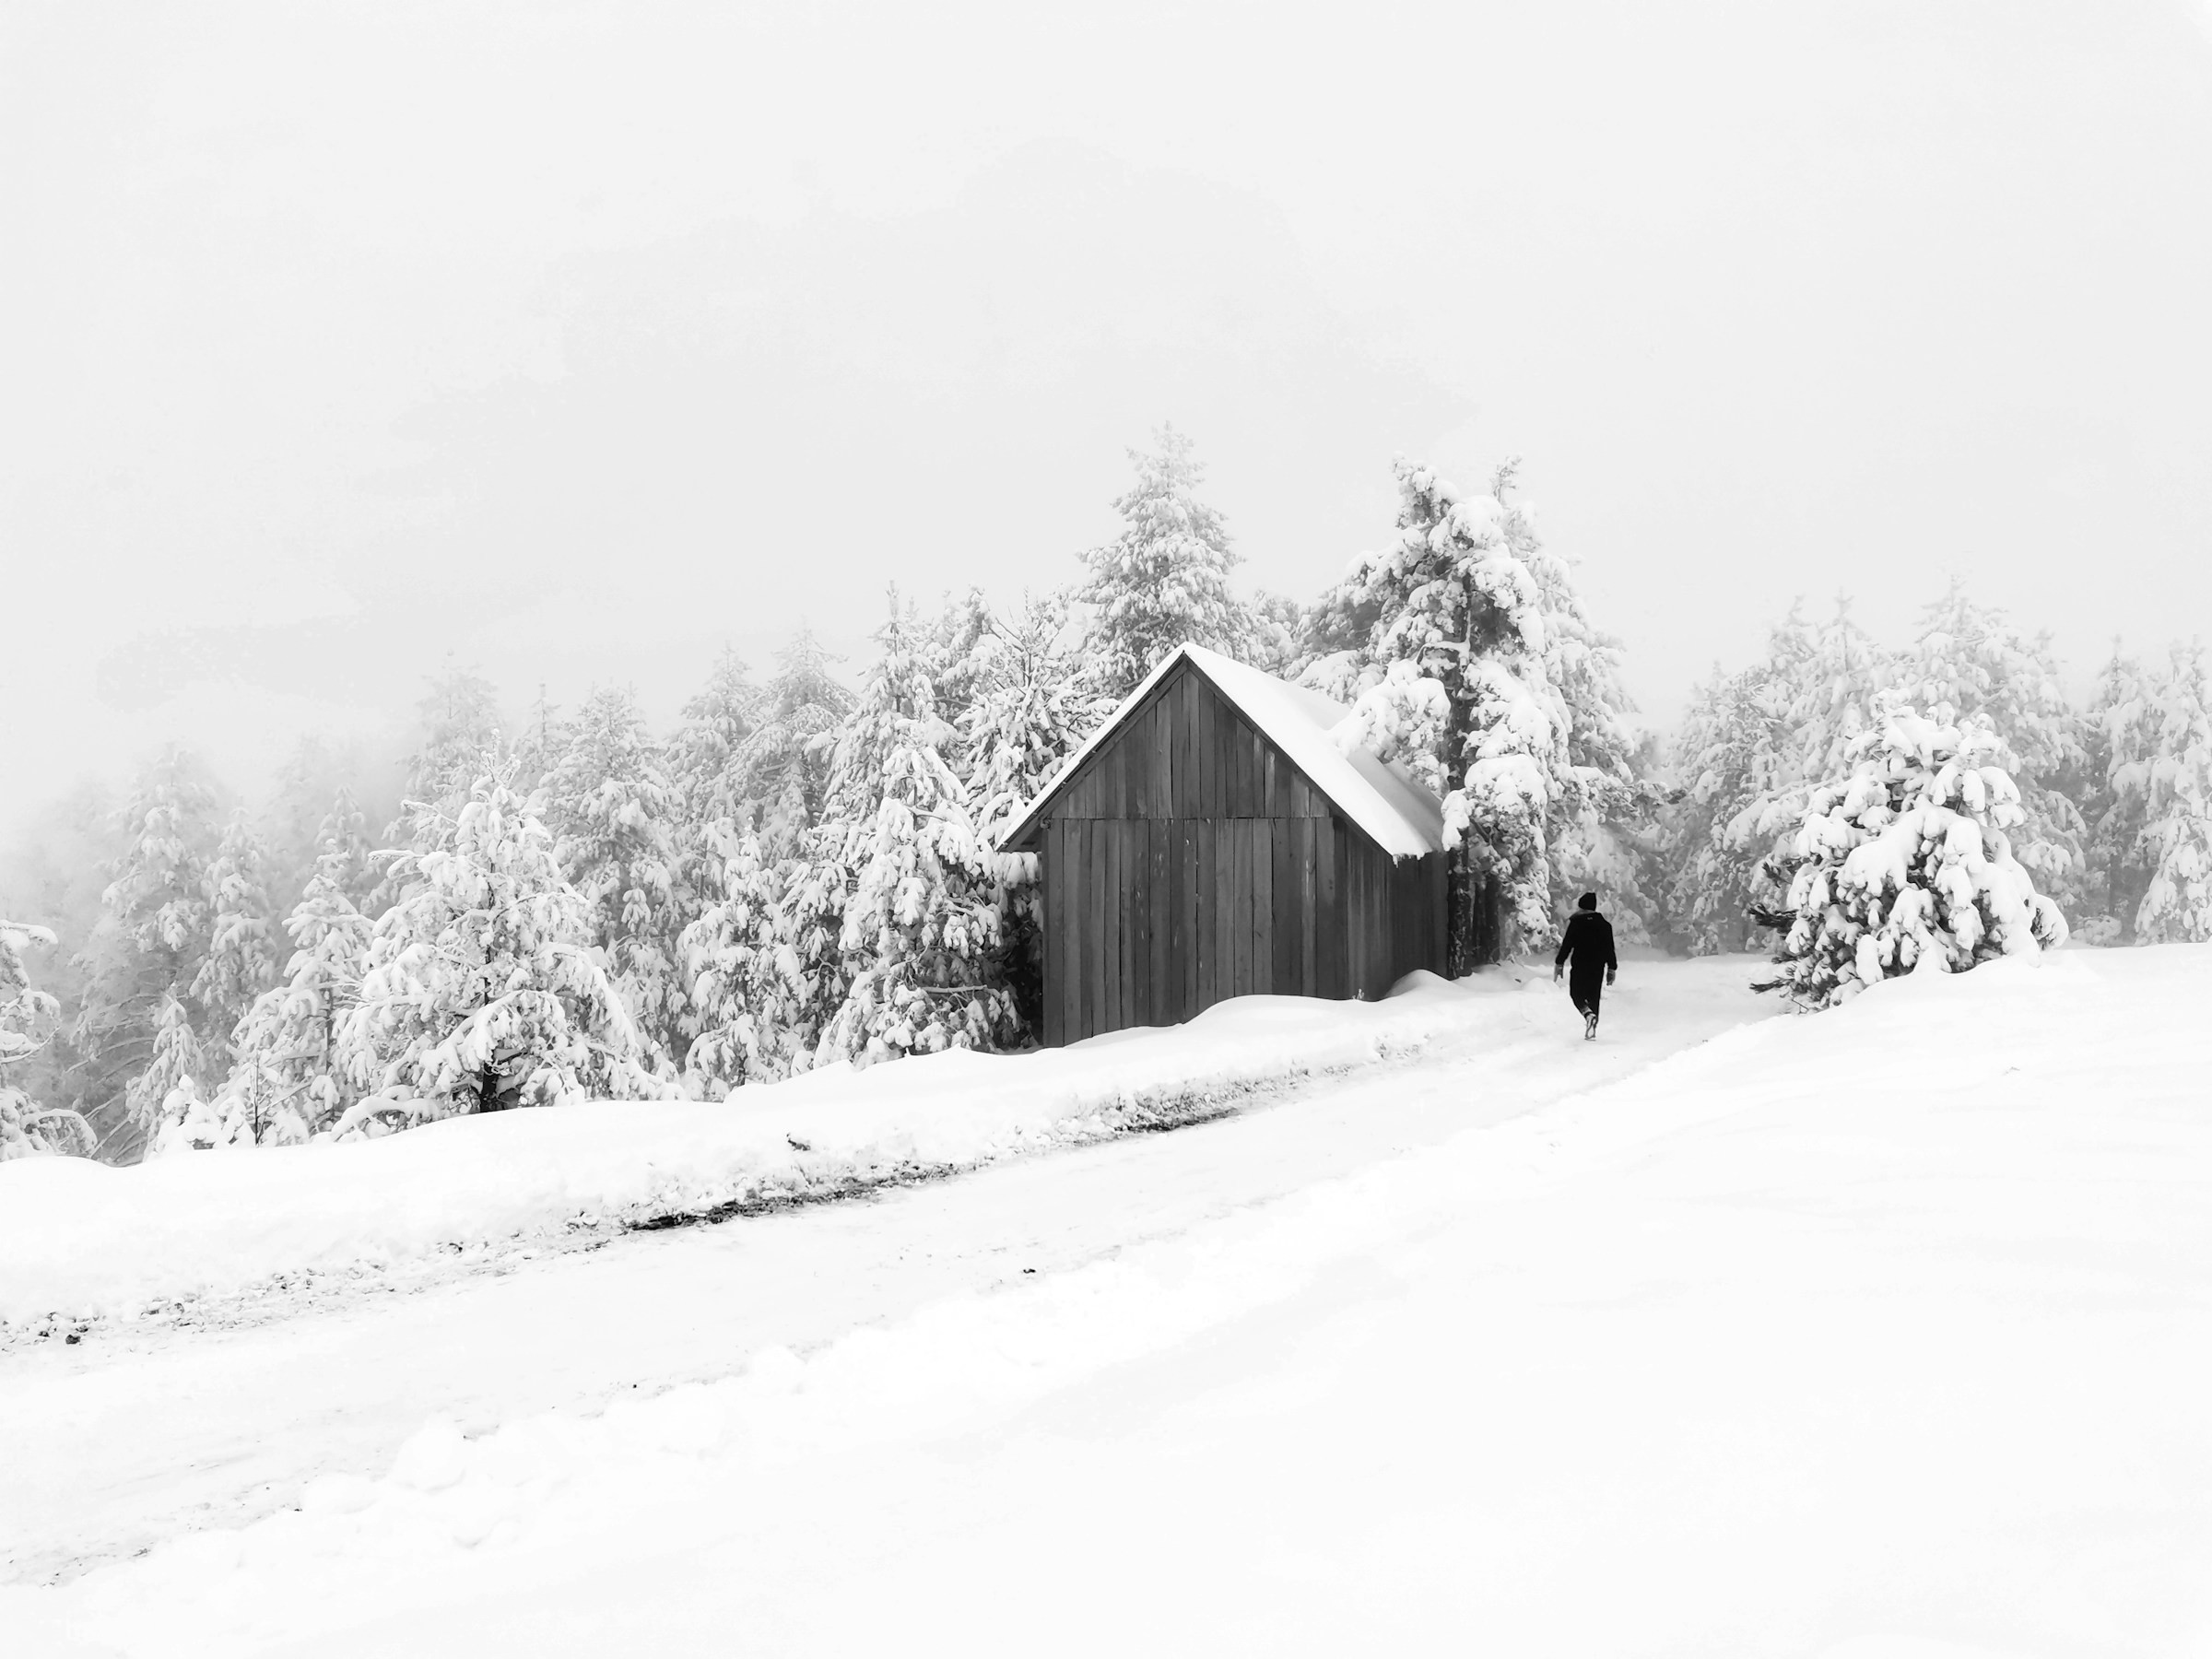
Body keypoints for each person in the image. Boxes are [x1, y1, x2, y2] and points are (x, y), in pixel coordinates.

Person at [1553, 891, 1618, 1041]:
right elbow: (1610, 948)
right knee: (1593, 997)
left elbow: (1567, 945)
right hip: (1598, 967)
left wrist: (1559, 963)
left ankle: (1587, 1014)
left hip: (1580, 965)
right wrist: (1612, 968)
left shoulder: (1576, 923)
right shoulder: (1605, 926)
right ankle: (1592, 1029)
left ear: (1582, 906)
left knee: (1576, 994)